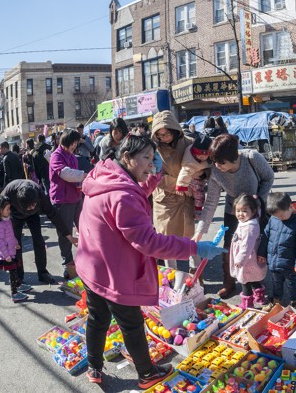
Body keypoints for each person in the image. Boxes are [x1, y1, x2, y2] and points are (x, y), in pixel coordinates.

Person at [75, 134, 225, 386]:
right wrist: (194, 246)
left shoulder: (104, 176)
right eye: (146, 157)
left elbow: (128, 193)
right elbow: (149, 242)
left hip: (93, 266)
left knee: (97, 318)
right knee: (131, 324)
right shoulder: (123, 196)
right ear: (127, 158)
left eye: (152, 157)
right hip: (115, 274)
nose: (151, 162)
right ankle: (147, 374)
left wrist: (152, 177)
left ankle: (94, 367)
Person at [193, 134, 275, 299]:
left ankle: (257, 281)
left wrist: (259, 199)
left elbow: (268, 177)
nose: (217, 166)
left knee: (257, 246)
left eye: (221, 162)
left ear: (233, 157)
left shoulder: (251, 158)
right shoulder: (216, 171)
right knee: (230, 246)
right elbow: (211, 203)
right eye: (214, 161)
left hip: (257, 210)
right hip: (234, 211)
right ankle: (229, 284)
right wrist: (200, 232)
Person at [1, 179, 76, 285]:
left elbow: (53, 215)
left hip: (33, 216)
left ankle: (42, 273)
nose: (31, 208)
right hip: (15, 216)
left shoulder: (39, 194)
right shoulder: (8, 193)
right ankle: (18, 276)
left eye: (34, 205)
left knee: (39, 241)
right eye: (29, 207)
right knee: (15, 245)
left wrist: (68, 235)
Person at [151, 110, 196, 270]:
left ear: (175, 130)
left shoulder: (189, 142)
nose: (164, 138)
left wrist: (195, 181)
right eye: (160, 135)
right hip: (166, 199)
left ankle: (195, 275)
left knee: (191, 237)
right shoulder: (153, 150)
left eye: (167, 133)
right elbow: (154, 175)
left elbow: (200, 165)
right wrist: (179, 185)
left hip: (186, 197)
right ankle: (171, 277)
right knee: (166, 240)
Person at [49, 130, 86, 279]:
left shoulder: (72, 157)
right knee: (65, 234)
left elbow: (75, 176)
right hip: (62, 200)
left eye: (76, 143)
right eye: (73, 143)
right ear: (65, 142)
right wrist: (84, 175)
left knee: (84, 229)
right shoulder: (56, 156)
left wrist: (81, 183)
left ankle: (84, 261)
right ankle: (68, 264)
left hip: (76, 198)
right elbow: (66, 174)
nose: (75, 146)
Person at [264, 192, 296, 306]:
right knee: (276, 282)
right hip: (274, 260)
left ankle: (294, 301)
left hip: (290, 263)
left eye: (281, 216)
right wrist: (262, 254)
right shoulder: (274, 218)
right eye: (276, 216)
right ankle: (276, 300)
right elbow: (266, 236)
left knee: (292, 283)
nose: (279, 218)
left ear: (291, 207)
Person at [229, 194, 269, 309]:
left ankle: (247, 303)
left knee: (244, 280)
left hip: (246, 259)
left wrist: (240, 260)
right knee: (253, 277)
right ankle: (260, 297)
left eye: (244, 211)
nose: (240, 214)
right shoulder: (250, 220)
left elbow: (246, 246)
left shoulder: (249, 227)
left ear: (253, 211)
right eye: (238, 210)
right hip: (248, 257)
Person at [0, 195, 32, 302]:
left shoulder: (7, 220)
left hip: (11, 251)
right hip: (6, 255)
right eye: (7, 208)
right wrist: (6, 255)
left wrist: (15, 243)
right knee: (13, 273)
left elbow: (10, 235)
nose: (9, 211)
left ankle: (18, 285)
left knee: (16, 270)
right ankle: (14, 293)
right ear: (0, 210)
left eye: (9, 208)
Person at [176, 133, 212, 222]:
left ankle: (199, 209)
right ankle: (198, 210)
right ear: (194, 152)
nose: (202, 157)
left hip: (202, 177)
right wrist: (181, 186)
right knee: (199, 194)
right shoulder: (189, 159)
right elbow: (185, 172)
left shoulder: (211, 156)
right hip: (192, 180)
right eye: (199, 155)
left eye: (205, 155)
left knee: (202, 194)